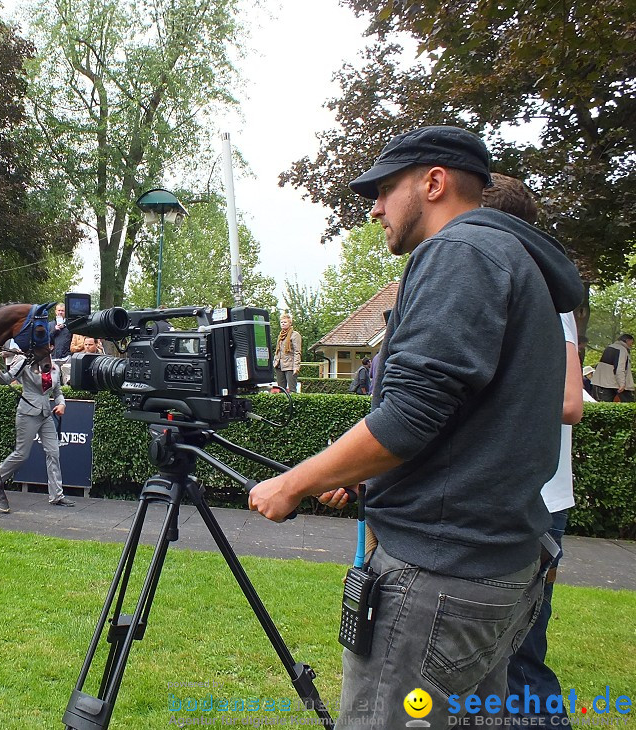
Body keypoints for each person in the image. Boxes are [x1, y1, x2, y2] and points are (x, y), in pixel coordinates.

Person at [248, 126, 583, 726]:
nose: (374, 207)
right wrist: (364, 477)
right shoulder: (513, 259)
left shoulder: (460, 254)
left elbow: (408, 416)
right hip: (496, 565)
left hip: (440, 579)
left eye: (383, 189)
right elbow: (460, 422)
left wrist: (293, 482)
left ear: (433, 182)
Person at [484, 173, 585, 724]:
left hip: (534, 499)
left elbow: (570, 402)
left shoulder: (543, 294)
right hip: (529, 495)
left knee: (519, 654)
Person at [0, 354, 73, 507]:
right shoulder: (25, 363)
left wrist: (62, 404)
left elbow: (57, 392)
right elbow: (5, 379)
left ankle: (57, 495)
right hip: (27, 414)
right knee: (21, 455)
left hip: (46, 415)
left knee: (54, 452)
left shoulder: (55, 367)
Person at [590, 334, 634, 402]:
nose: (632, 344)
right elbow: (619, 367)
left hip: (604, 382)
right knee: (629, 403)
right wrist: (622, 384)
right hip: (615, 382)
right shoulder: (621, 350)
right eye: (631, 342)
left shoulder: (609, 347)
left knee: (605, 404)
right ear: (627, 340)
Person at [273, 313, 301, 393]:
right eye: (281, 322)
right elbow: (278, 351)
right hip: (279, 365)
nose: (283, 323)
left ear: (290, 323)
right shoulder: (281, 335)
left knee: (292, 390)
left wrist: (296, 366)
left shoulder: (295, 335)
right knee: (281, 390)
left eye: (285, 322)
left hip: (290, 365)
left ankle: (293, 405)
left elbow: (297, 351)